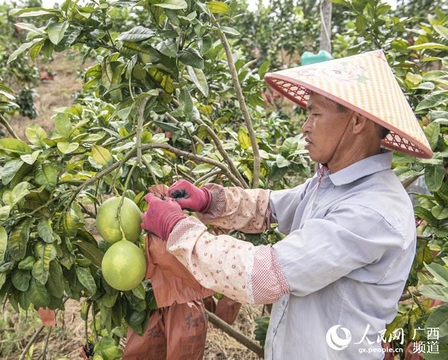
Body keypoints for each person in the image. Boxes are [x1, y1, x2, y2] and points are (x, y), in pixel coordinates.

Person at [140, 50, 433, 359]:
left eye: (315, 114)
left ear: (358, 120)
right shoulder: (334, 183)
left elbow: (261, 275)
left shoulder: (371, 211)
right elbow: (271, 207)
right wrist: (211, 199)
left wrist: (176, 229)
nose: (305, 127)